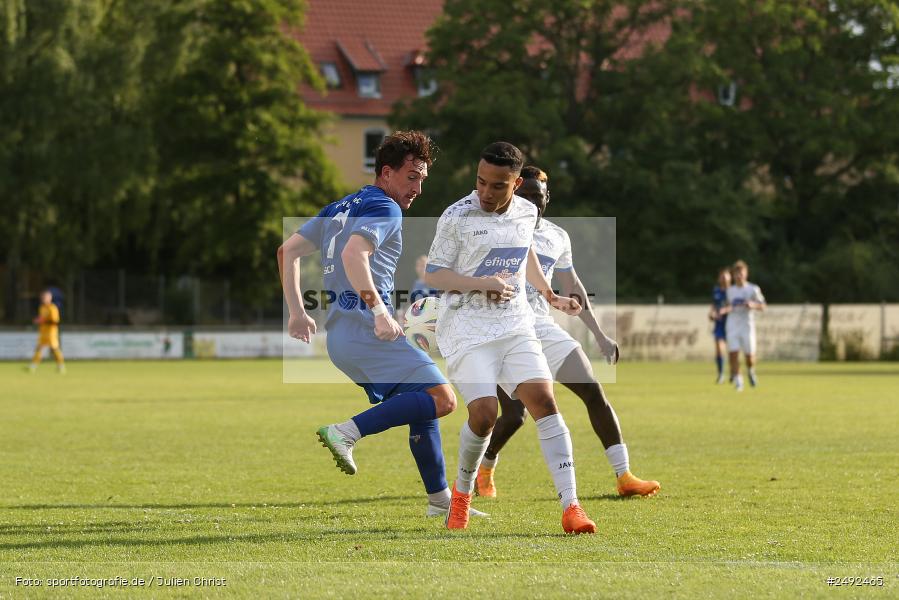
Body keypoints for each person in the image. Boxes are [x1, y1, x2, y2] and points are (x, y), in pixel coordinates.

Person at [277, 131, 480, 519]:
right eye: (411, 176)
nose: (418, 187)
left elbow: (286, 251)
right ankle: (346, 432)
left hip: (342, 337)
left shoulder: (340, 207)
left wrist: (297, 311)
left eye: (422, 178)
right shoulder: (386, 207)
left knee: (422, 403)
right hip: (366, 330)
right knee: (443, 398)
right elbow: (356, 254)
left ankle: (440, 502)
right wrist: (379, 311)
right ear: (386, 173)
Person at [423, 142, 596, 534]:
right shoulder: (456, 216)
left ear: (516, 183)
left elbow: (526, 253)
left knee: (545, 401)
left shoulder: (528, 212)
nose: (486, 192)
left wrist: (550, 295)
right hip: (466, 329)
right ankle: (462, 497)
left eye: (497, 186)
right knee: (485, 417)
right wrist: (479, 284)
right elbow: (434, 274)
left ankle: (572, 507)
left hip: (516, 324)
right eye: (480, 182)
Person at [475, 166, 660, 500]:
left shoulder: (557, 236)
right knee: (514, 417)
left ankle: (624, 476)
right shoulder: (495, 227)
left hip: (543, 327)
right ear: (514, 193)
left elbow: (573, 286)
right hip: (503, 329)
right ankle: (485, 467)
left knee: (593, 391)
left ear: (547, 199)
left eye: (538, 196)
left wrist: (601, 336)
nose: (531, 201)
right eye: (525, 194)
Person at [719, 260, 766, 392]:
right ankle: (739, 381)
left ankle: (751, 371)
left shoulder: (753, 289)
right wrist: (723, 310)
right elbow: (726, 305)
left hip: (747, 325)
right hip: (733, 325)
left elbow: (763, 305)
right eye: (736, 273)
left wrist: (753, 305)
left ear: (746, 274)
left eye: (741, 273)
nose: (739, 276)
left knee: (749, 357)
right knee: (733, 354)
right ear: (733, 275)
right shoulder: (730, 291)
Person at [29, 290, 65, 374]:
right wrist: (38, 320)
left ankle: (61, 366)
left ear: (50, 298)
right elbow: (42, 318)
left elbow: (55, 322)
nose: (43, 299)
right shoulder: (42, 307)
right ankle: (33, 366)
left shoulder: (53, 308)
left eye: (45, 297)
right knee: (39, 348)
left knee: (55, 349)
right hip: (43, 332)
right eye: (43, 297)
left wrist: (42, 321)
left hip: (51, 333)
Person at [709, 267, 731, 384]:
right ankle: (721, 374)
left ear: (730, 277)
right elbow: (713, 305)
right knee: (719, 348)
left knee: (732, 350)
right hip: (719, 324)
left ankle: (734, 373)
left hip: (732, 323)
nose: (723, 278)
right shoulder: (716, 290)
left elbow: (734, 306)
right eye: (721, 276)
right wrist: (712, 313)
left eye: (725, 275)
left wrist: (724, 310)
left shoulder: (733, 290)